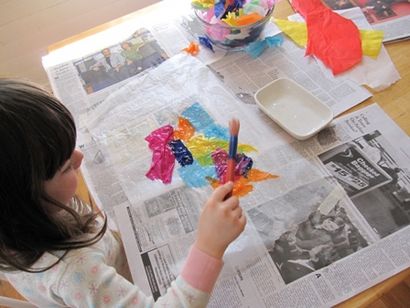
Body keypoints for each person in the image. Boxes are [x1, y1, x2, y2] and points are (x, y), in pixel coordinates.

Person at [0, 79, 247, 307]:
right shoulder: (76, 271)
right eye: (65, 167)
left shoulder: (17, 221)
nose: (80, 158)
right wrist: (208, 246)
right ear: (23, 201)